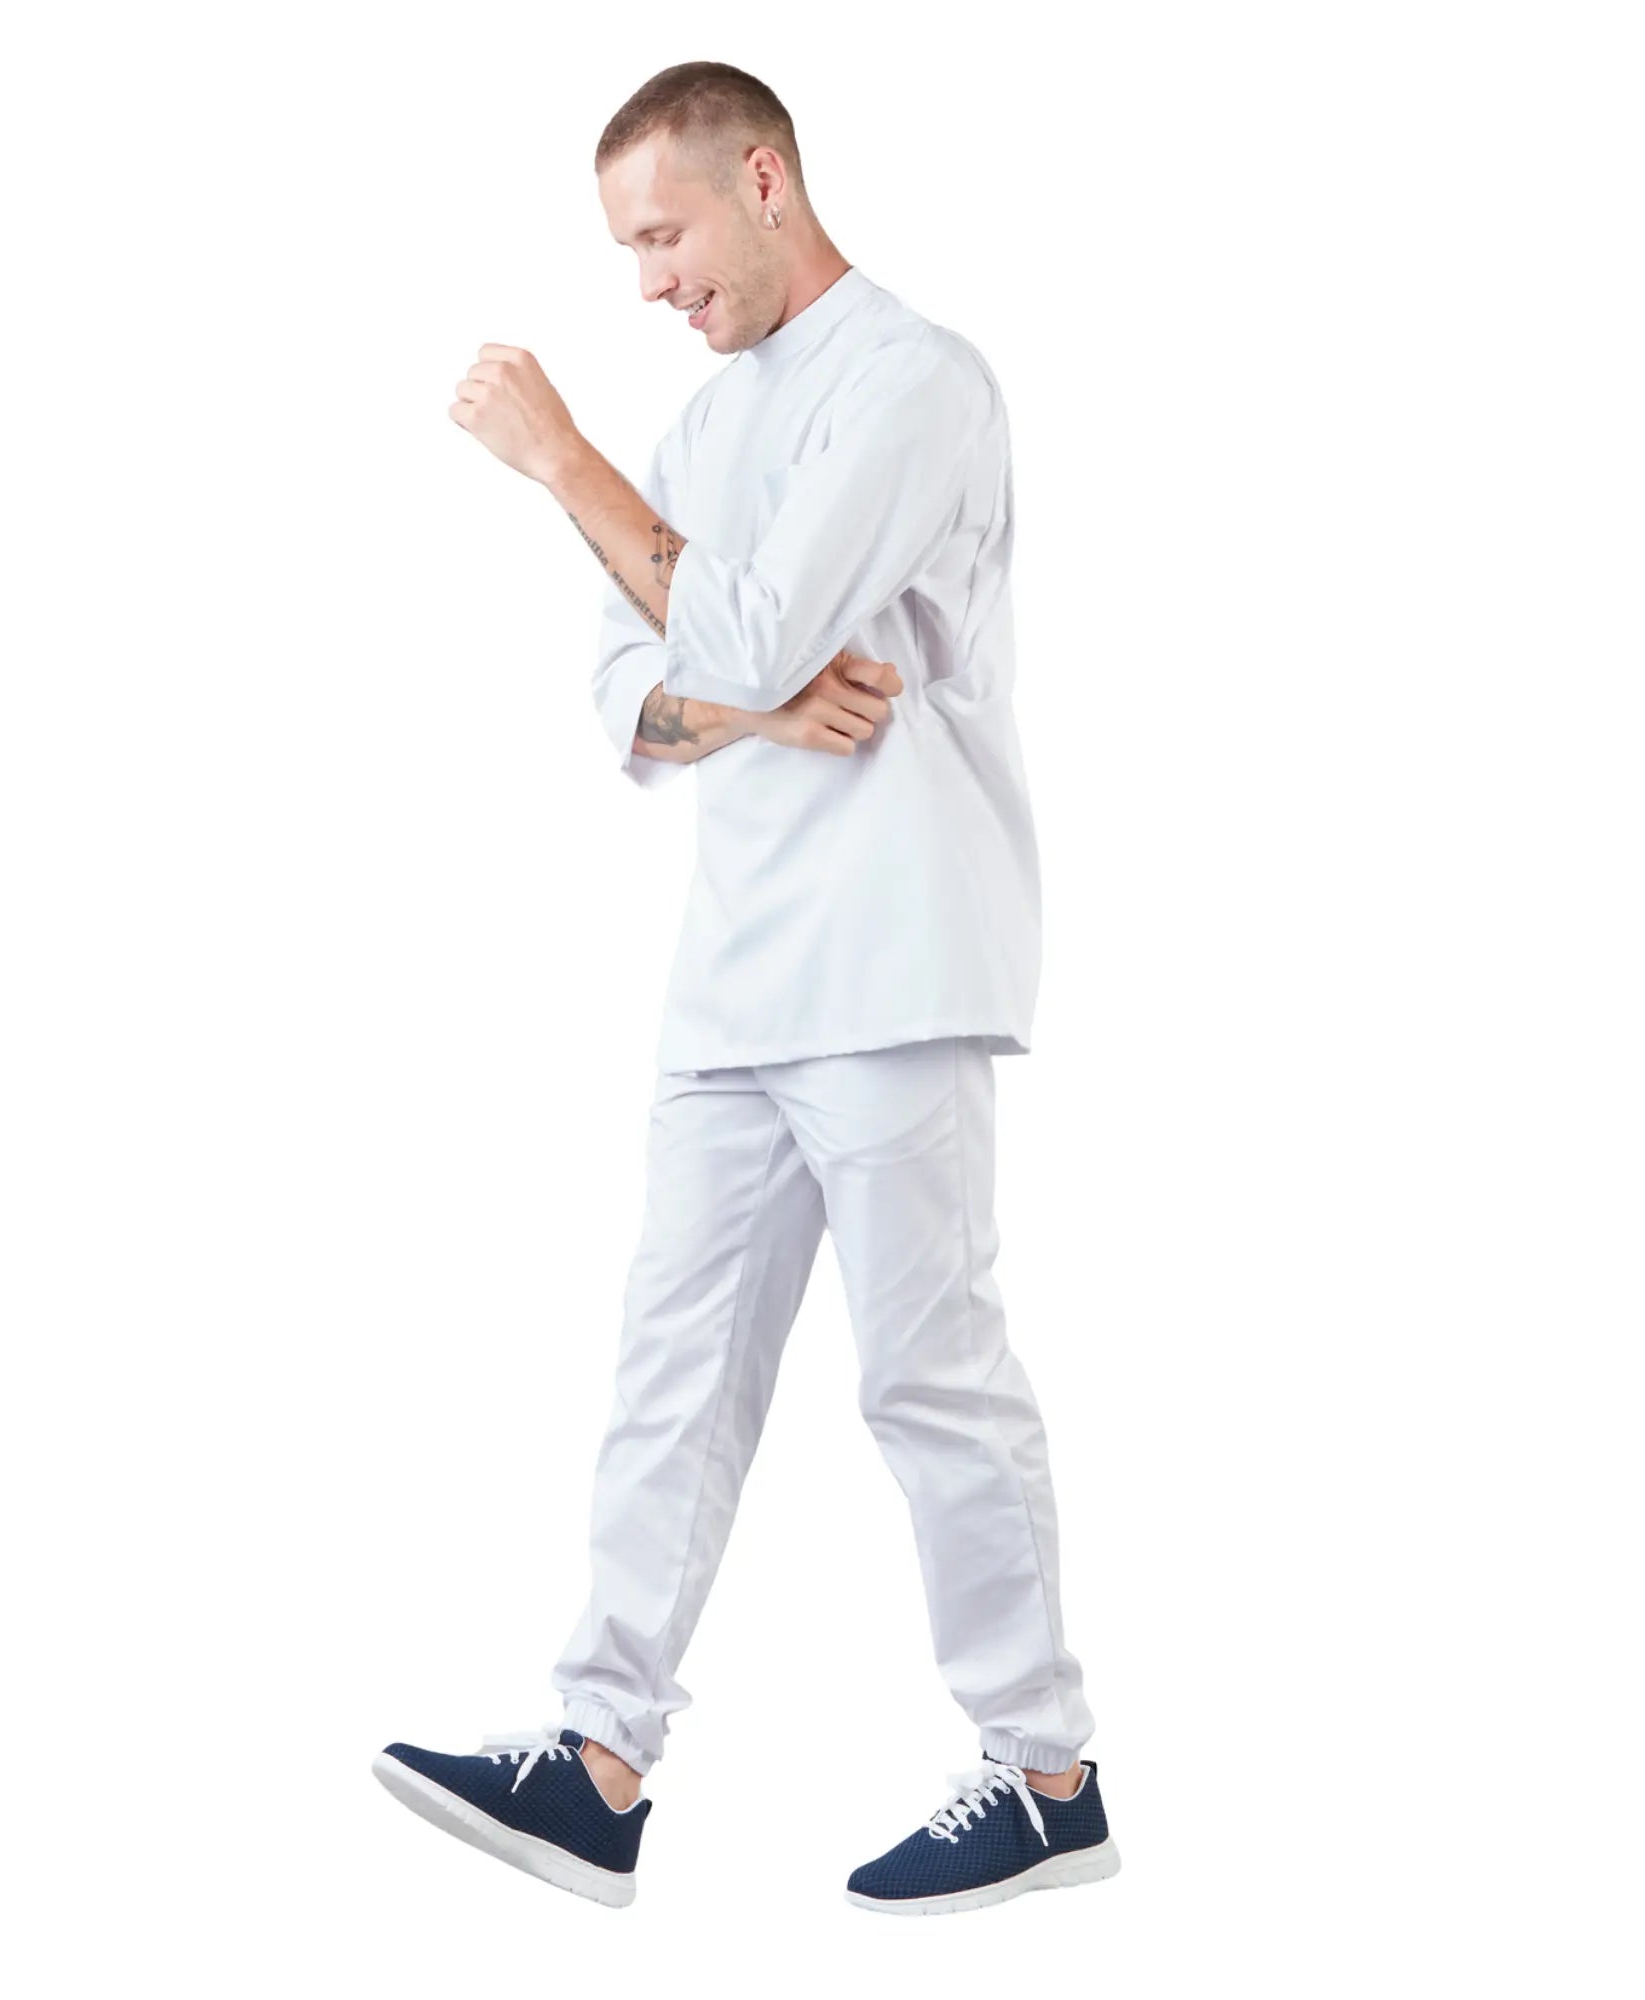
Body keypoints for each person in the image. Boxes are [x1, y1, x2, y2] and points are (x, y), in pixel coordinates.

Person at [370, 61, 1117, 1917]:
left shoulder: (918, 384)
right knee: (673, 1369)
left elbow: (746, 625)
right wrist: (761, 700)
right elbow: (633, 692)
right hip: (734, 975)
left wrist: (564, 464)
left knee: (930, 1377)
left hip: (895, 955)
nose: (648, 285)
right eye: (624, 252)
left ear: (763, 179)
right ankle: (600, 1762)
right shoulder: (703, 431)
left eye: (664, 235)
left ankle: (1046, 1772)